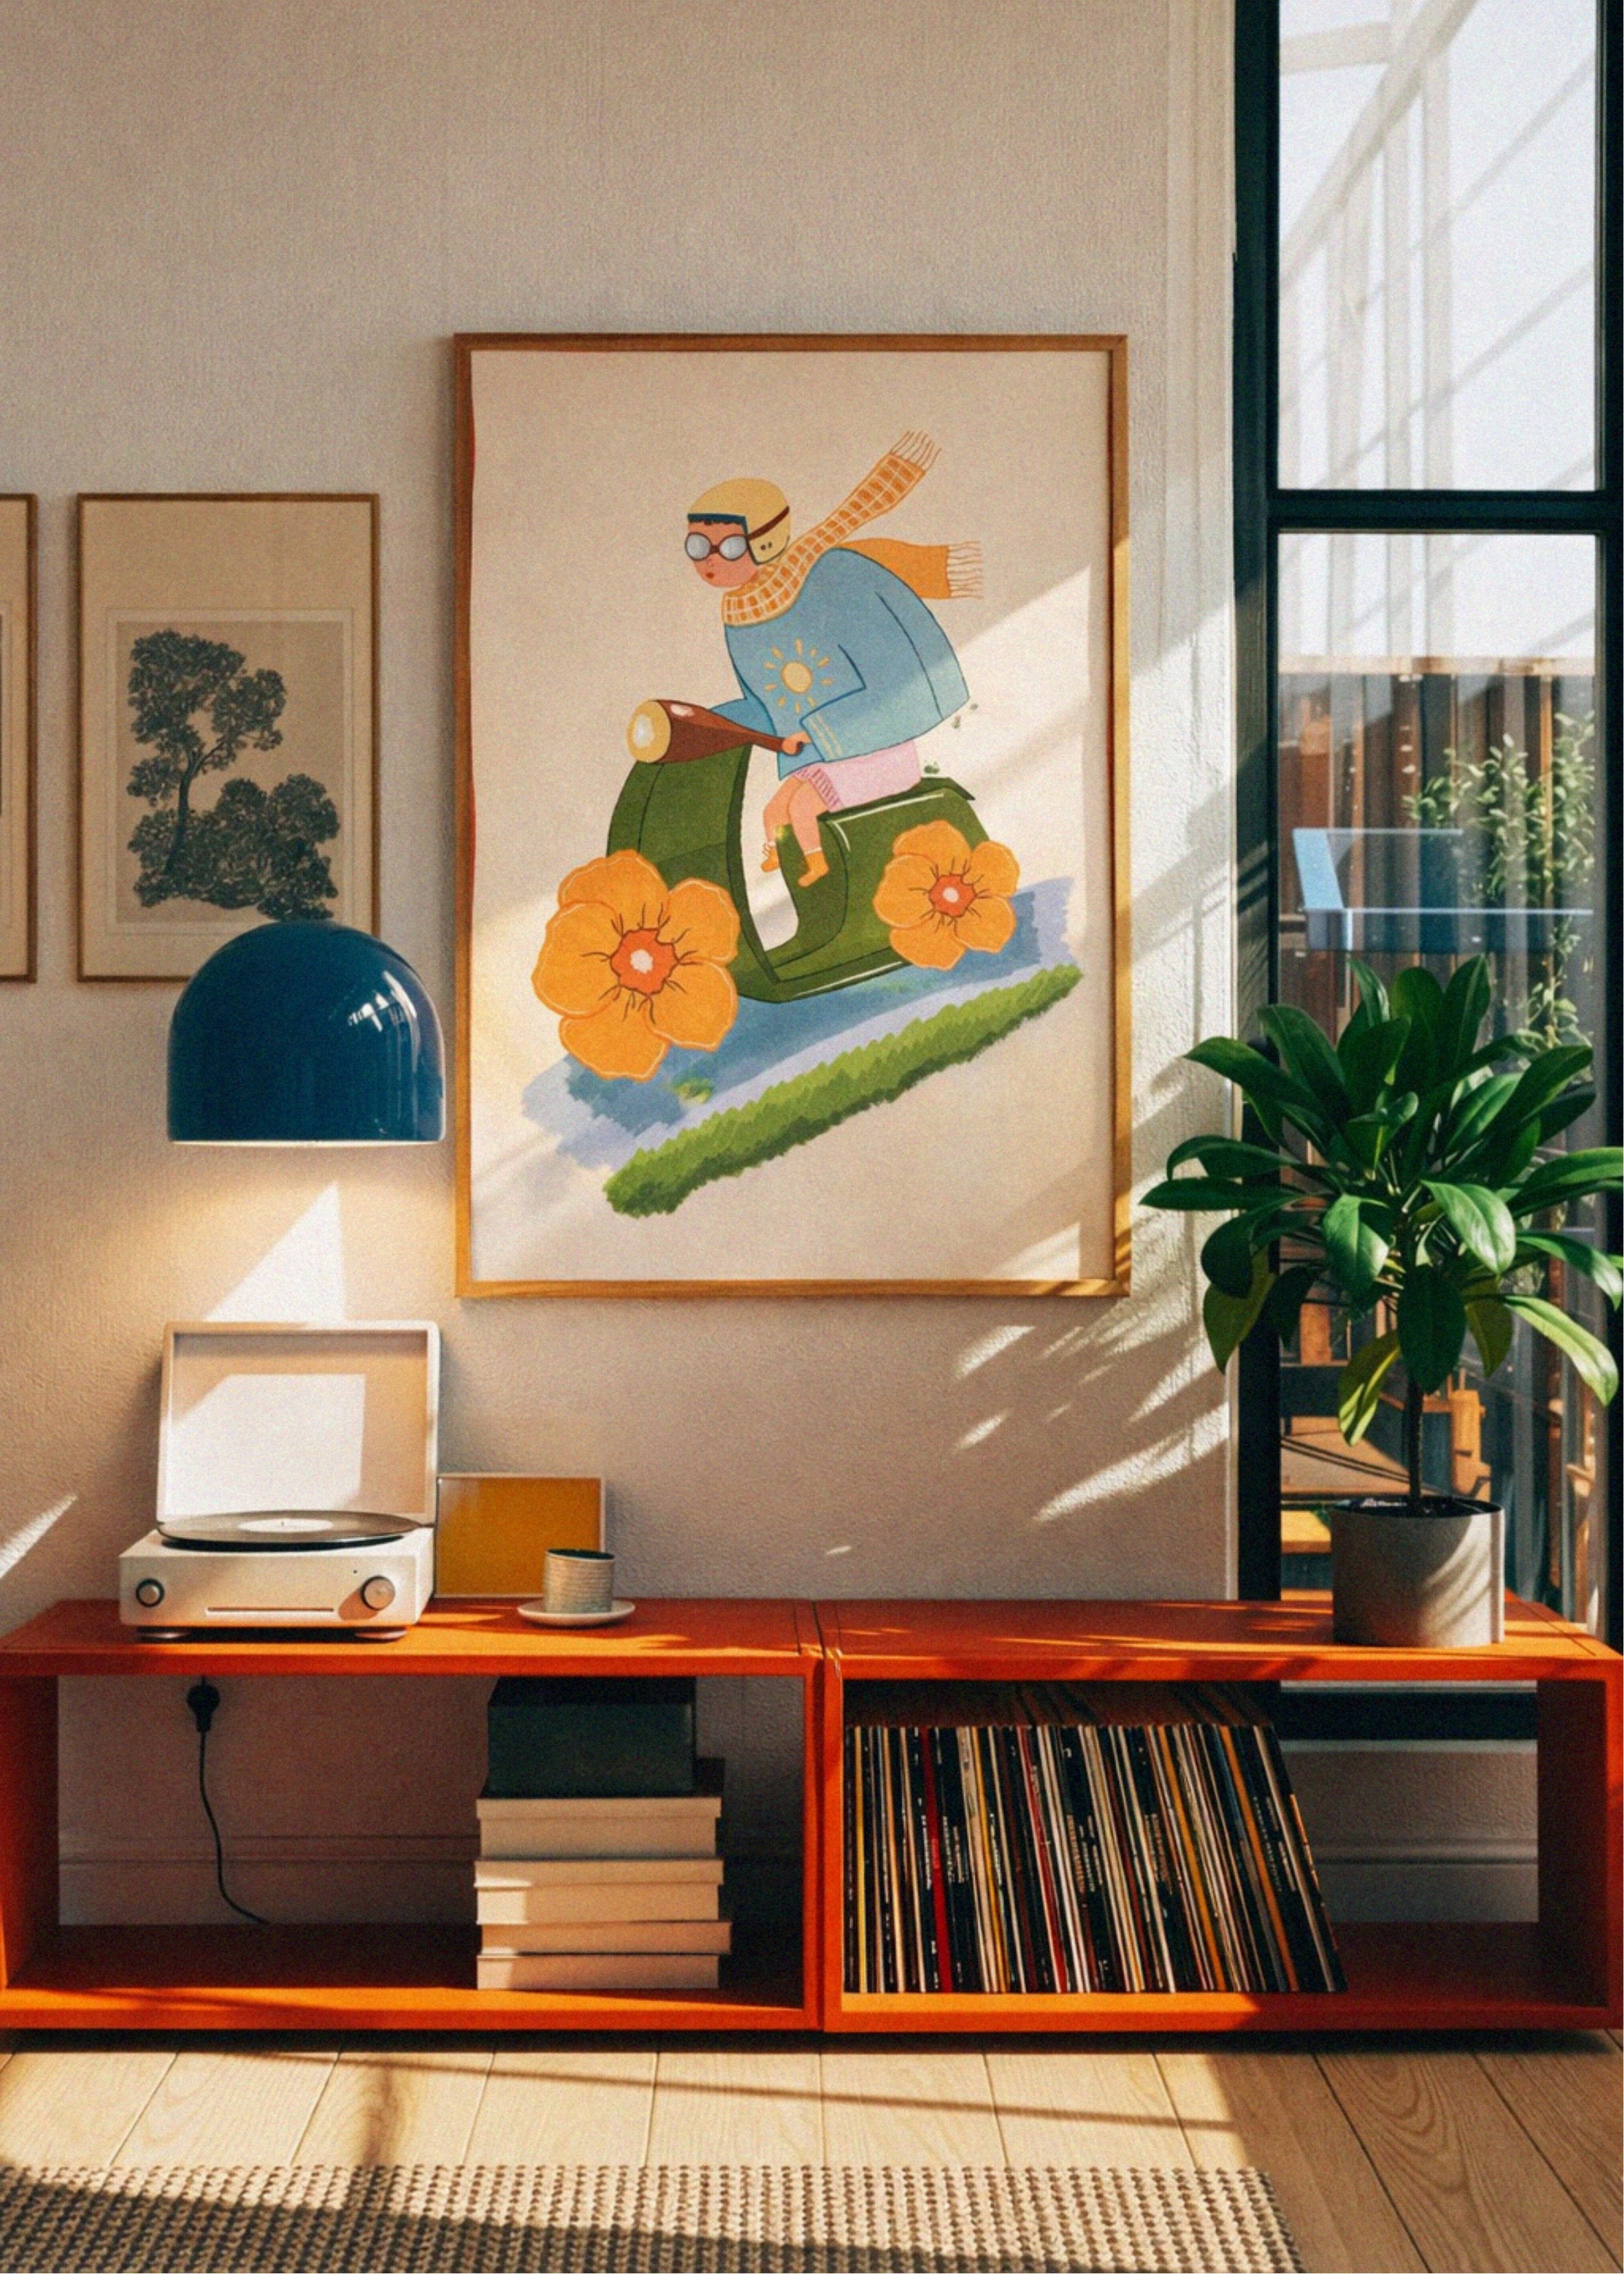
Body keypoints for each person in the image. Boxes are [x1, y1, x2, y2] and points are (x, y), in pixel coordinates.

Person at [685, 432, 979, 884]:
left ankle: (817, 863)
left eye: (725, 547)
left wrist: (822, 728)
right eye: (698, 547)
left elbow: (899, 678)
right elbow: (766, 706)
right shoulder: (738, 618)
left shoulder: (838, 575)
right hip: (819, 757)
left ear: (764, 542)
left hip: (872, 751)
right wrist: (707, 728)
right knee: (778, 810)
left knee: (801, 809)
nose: (709, 561)